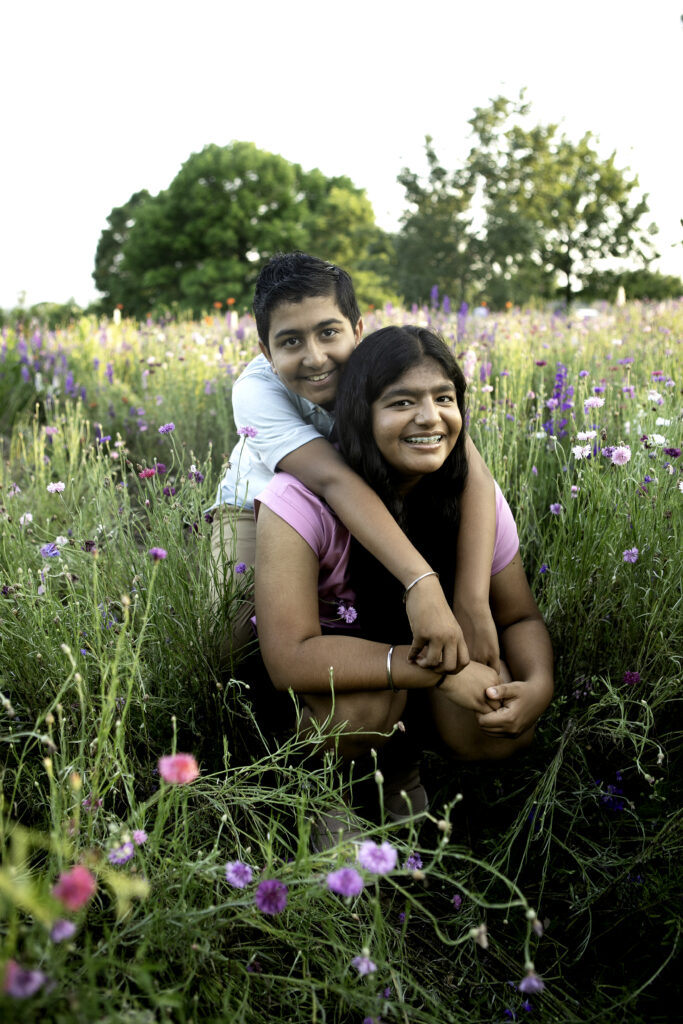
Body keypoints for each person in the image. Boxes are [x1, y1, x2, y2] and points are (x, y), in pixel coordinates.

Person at [253, 325, 554, 830]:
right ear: (360, 413)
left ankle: (401, 769)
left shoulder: (471, 502)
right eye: (400, 403)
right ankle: (319, 790)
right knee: (365, 706)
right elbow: (290, 659)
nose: (429, 418)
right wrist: (446, 672)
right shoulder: (298, 500)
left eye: (444, 398)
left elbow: (519, 615)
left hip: (411, 686)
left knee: (492, 715)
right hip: (334, 695)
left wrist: (539, 685)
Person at [211, 252, 499, 672]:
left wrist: (472, 602)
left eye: (329, 332)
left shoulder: (380, 364)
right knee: (230, 639)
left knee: (376, 623)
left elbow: (472, 469)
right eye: (290, 341)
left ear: (358, 330)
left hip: (367, 498)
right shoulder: (256, 390)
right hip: (258, 508)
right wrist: (421, 582)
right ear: (266, 351)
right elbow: (332, 481)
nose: (315, 357)